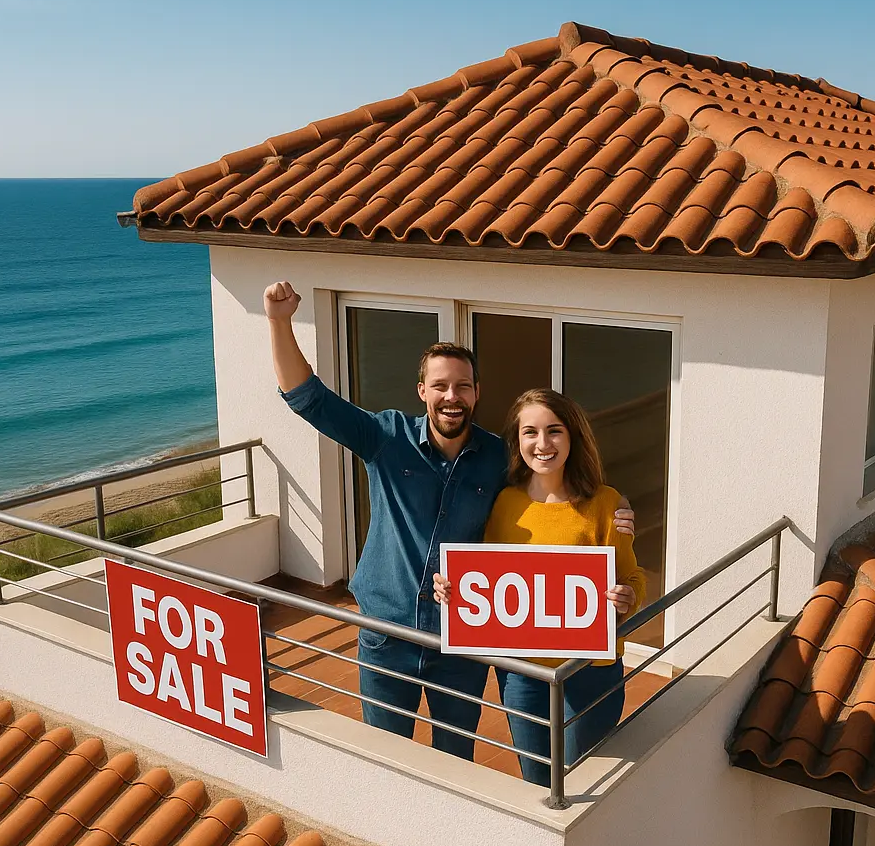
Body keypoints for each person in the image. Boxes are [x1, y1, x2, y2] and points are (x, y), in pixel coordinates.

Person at [262, 281, 632, 760]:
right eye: (439, 385)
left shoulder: (500, 459)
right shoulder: (385, 437)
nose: (450, 396)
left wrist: (614, 503)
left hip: (460, 640)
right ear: (423, 391)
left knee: (455, 758)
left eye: (461, 386)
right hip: (387, 633)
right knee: (385, 755)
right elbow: (307, 397)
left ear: (477, 394)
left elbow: (554, 481)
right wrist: (278, 321)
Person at [436, 388, 645, 786]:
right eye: (530, 432)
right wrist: (454, 592)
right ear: (517, 441)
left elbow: (633, 578)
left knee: (583, 783)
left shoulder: (607, 503)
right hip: (522, 676)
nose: (543, 443)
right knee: (535, 784)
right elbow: (487, 578)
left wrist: (628, 598)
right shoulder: (505, 503)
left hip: (589, 672)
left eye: (554, 431)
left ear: (572, 437)